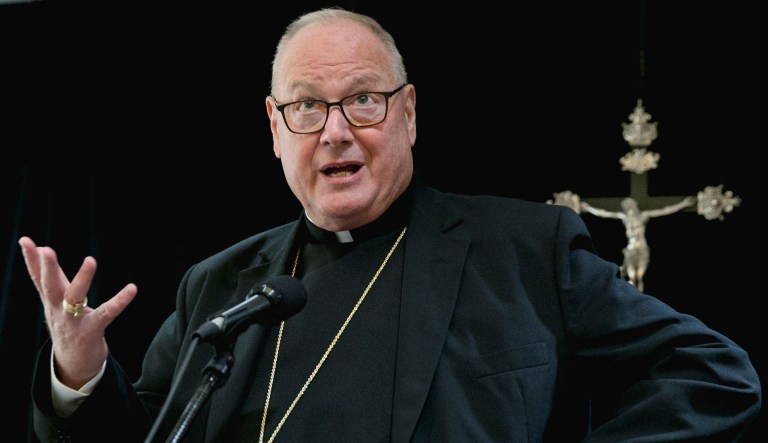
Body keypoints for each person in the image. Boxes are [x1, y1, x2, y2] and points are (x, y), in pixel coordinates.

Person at [18, 7, 761, 443]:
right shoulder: (217, 285)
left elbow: (716, 376)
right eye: (308, 106)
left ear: (408, 113)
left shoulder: (527, 249)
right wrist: (80, 376)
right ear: (275, 129)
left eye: (364, 100)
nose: (336, 131)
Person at [580, 196, 696, 292]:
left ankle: (639, 297)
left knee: (639, 277)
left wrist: (683, 204)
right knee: (632, 276)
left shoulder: (643, 216)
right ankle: (632, 296)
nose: (629, 210)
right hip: (631, 250)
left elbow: (665, 211)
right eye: (626, 208)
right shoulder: (624, 217)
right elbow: (604, 214)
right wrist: (589, 208)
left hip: (642, 249)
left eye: (630, 207)